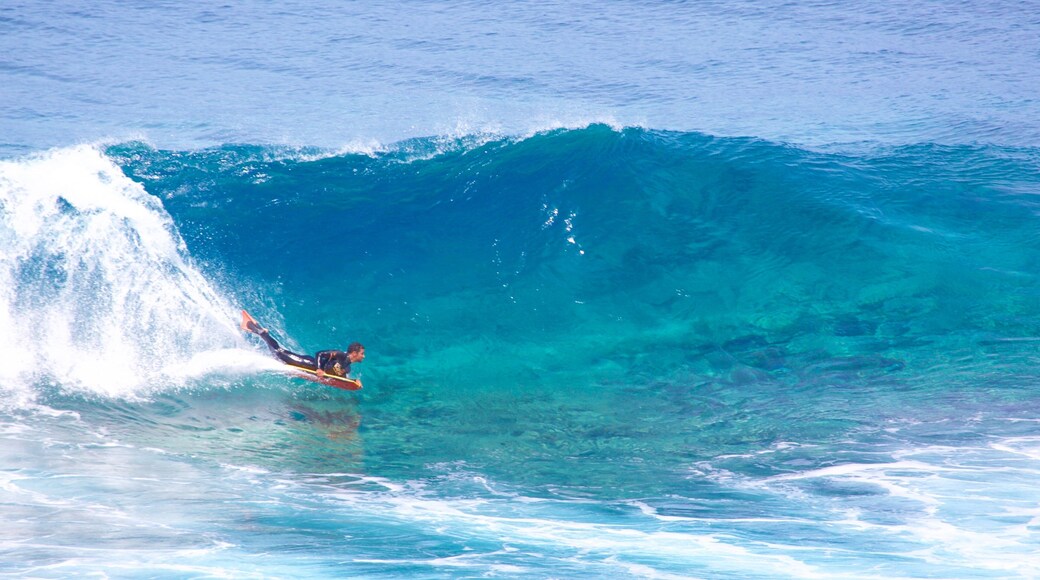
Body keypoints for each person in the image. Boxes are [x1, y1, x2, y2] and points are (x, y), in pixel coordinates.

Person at [240, 310, 365, 379]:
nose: (363, 356)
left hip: (309, 367)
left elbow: (340, 378)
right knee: (278, 352)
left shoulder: (347, 367)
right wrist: (319, 369)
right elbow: (320, 354)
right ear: (354, 353)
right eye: (362, 353)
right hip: (305, 362)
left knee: (278, 354)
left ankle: (261, 330)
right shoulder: (340, 355)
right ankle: (255, 328)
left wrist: (352, 382)